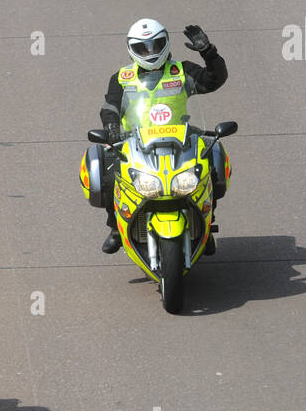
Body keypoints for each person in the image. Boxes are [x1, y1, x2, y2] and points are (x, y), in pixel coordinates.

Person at [98, 19, 229, 254]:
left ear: (166, 43)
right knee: (108, 173)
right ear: (131, 49)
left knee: (213, 163)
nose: (150, 53)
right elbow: (110, 108)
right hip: (134, 142)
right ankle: (116, 228)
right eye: (143, 48)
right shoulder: (122, 77)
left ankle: (206, 225)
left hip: (180, 140)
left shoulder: (182, 70)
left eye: (156, 45)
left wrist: (208, 53)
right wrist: (112, 130)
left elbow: (214, 80)